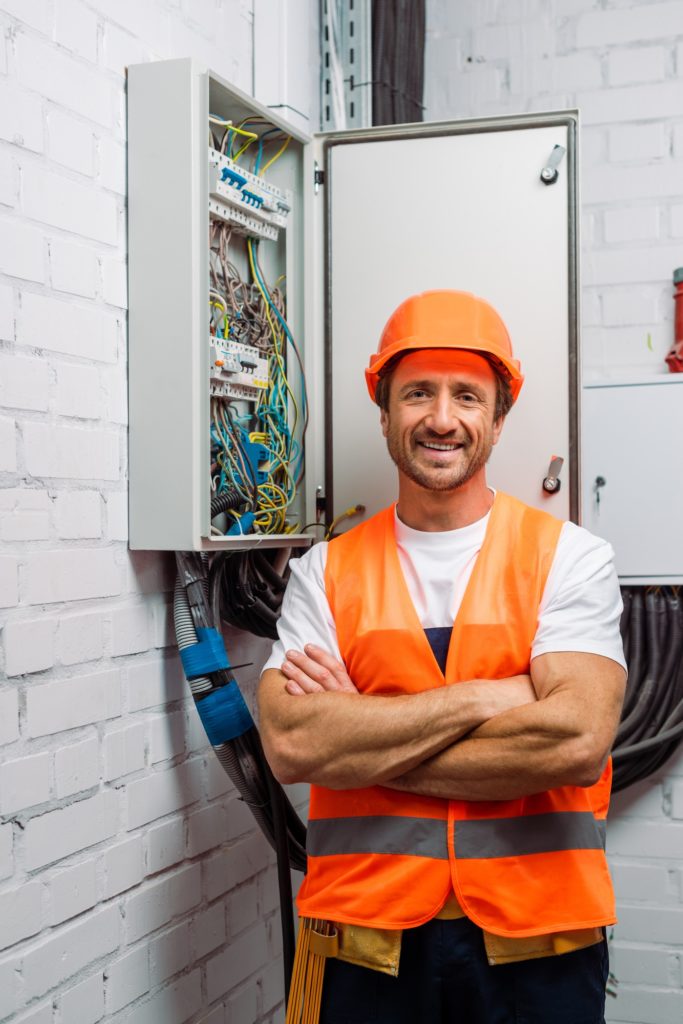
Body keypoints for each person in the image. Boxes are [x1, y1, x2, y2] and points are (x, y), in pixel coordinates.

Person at [258, 290, 627, 1024]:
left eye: (466, 395)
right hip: (361, 943)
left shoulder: (568, 559)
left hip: (538, 947)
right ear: (385, 411)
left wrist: (359, 732)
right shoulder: (323, 572)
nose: (441, 417)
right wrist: (492, 697)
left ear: (496, 416)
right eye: (416, 393)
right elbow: (294, 743)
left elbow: (576, 741)